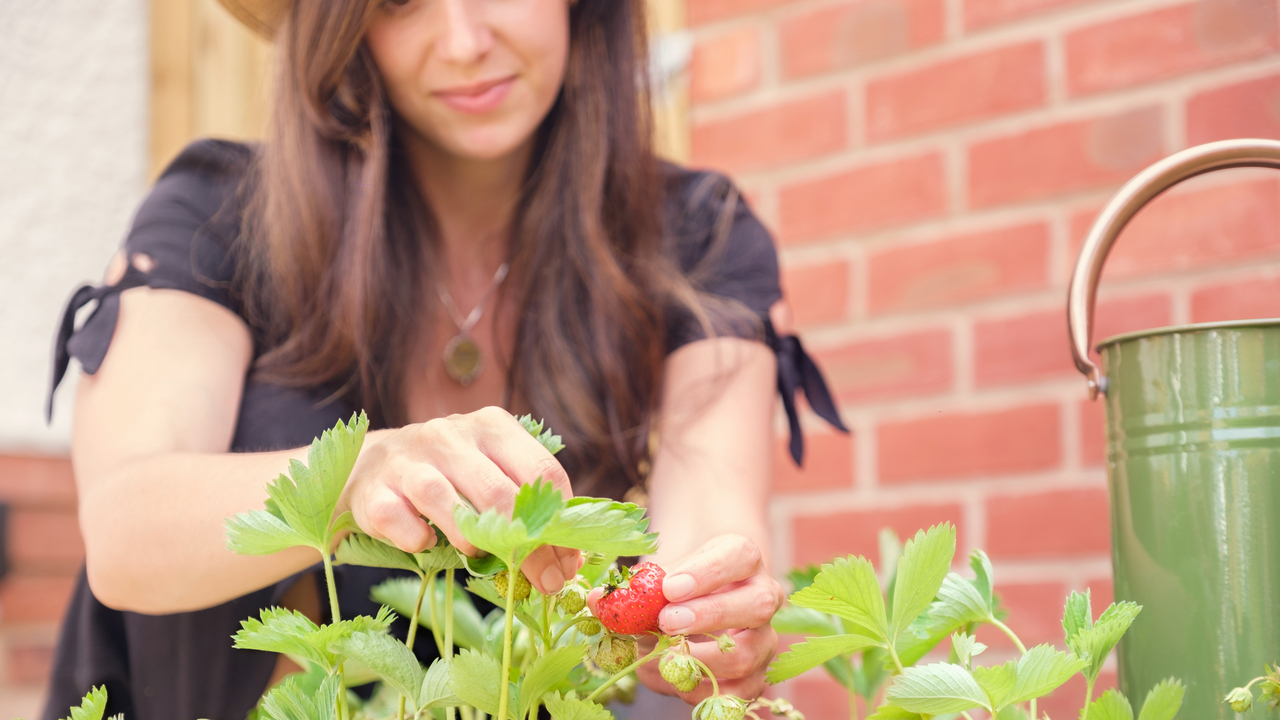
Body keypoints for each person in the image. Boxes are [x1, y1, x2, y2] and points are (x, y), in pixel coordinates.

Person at [45, 1, 846, 718]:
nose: (464, 40)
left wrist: (703, 619)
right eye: (401, 1)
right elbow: (124, 528)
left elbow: (708, 520)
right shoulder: (218, 211)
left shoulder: (698, 236)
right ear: (342, 26)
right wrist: (359, 473)